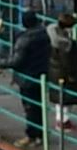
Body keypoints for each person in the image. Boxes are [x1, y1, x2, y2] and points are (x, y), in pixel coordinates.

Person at [10, 12, 53, 140]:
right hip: (40, 75)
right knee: (38, 106)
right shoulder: (45, 35)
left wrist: (0, 63)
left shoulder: (24, 39)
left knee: (29, 108)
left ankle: (32, 135)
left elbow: (16, 61)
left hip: (26, 78)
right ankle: (40, 134)